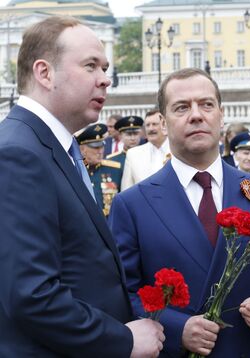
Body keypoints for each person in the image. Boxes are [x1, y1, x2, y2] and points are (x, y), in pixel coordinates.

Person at [109, 68, 250, 357]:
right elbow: (123, 295)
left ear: (221, 114)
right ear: (163, 122)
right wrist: (177, 328)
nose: (196, 115)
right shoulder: (133, 204)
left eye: (206, 104)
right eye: (181, 107)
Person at [0, 16, 164, 357]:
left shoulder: (44, 145)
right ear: (44, 73)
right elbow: (33, 295)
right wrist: (123, 340)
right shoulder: (19, 153)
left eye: (105, 68)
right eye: (91, 66)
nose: (106, 80)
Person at [76, 123, 123, 216]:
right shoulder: (75, 171)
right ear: (82, 149)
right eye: (95, 147)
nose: (100, 151)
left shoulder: (115, 169)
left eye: (102, 146)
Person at [121, 109, 171, 191]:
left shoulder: (178, 151)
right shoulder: (133, 154)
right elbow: (126, 190)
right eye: (147, 125)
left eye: (154, 124)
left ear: (164, 125)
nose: (151, 128)